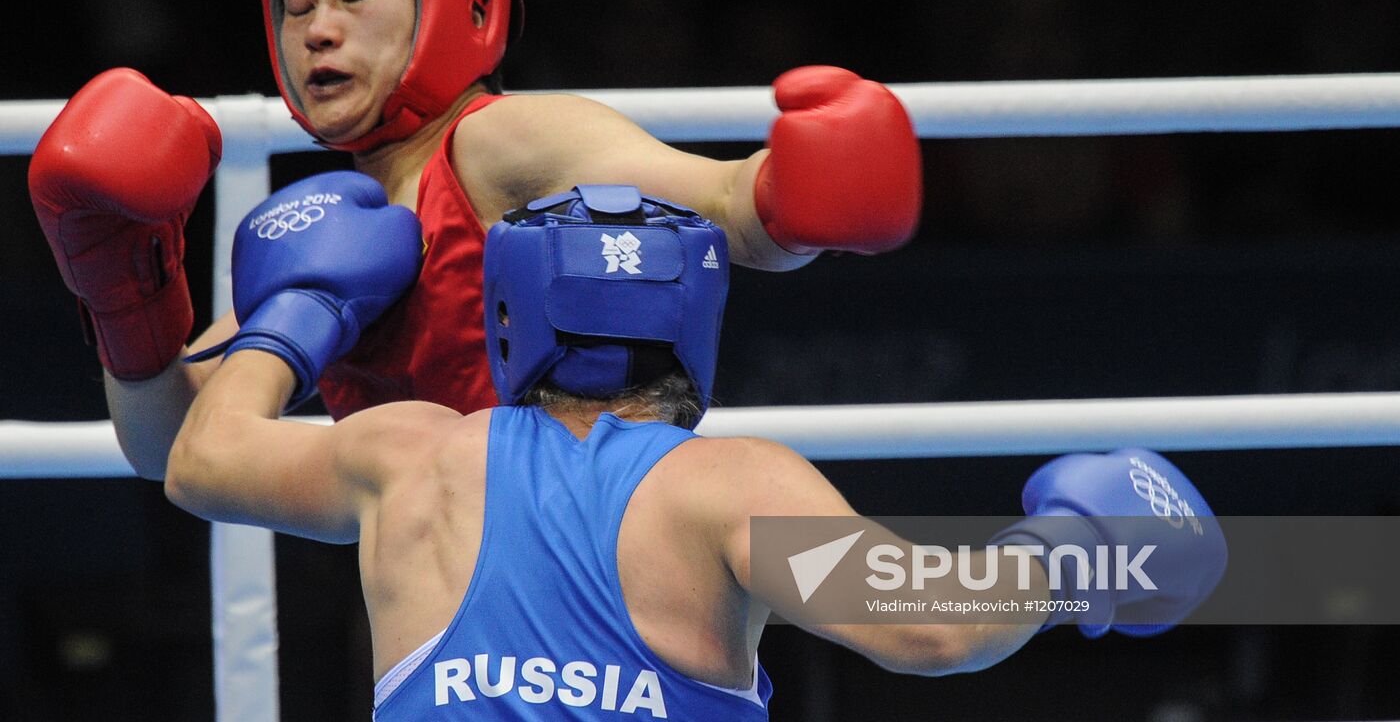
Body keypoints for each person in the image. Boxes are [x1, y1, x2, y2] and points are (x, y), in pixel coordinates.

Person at [27, 0, 924, 480]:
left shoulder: (501, 142)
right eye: (295, 8)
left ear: (466, 0)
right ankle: (1046, 566)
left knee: (915, 611)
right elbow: (171, 450)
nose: (319, 30)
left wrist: (794, 189)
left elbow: (728, 208)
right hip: (430, 604)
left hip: (596, 567)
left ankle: (1051, 569)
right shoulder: (330, 226)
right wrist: (127, 298)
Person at [162, 174, 1227, 719]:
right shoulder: (729, 488)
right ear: (696, 325)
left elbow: (203, 460)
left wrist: (302, 312)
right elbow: (936, 626)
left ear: (505, 320)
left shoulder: (407, 457)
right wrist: (1075, 554)